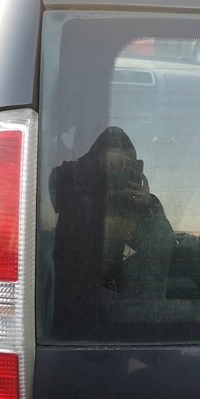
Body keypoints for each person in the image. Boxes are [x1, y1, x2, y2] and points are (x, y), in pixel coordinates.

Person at [50, 127, 174, 334]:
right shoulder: (75, 184)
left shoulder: (134, 202)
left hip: (113, 306)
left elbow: (162, 247)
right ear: (97, 157)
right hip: (70, 300)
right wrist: (97, 165)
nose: (120, 166)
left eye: (127, 161)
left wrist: (148, 206)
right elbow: (56, 188)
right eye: (114, 159)